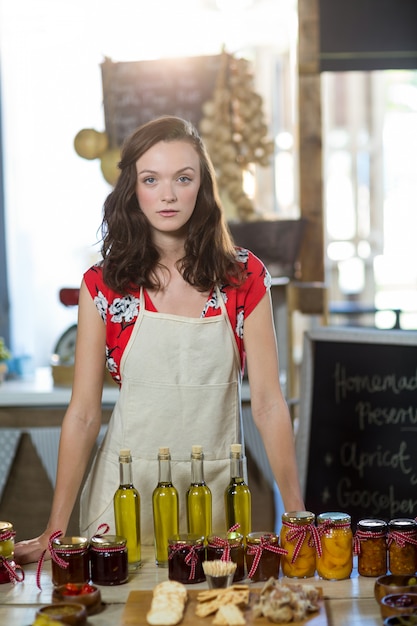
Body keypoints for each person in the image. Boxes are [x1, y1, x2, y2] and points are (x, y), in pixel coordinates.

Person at [15, 115, 304, 564]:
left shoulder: (244, 277)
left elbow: (268, 403)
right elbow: (84, 414)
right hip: (123, 498)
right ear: (133, 188)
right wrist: (55, 531)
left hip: (216, 500)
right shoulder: (104, 286)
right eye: (151, 179)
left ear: (201, 187)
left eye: (182, 179)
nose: (167, 195)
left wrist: (297, 516)